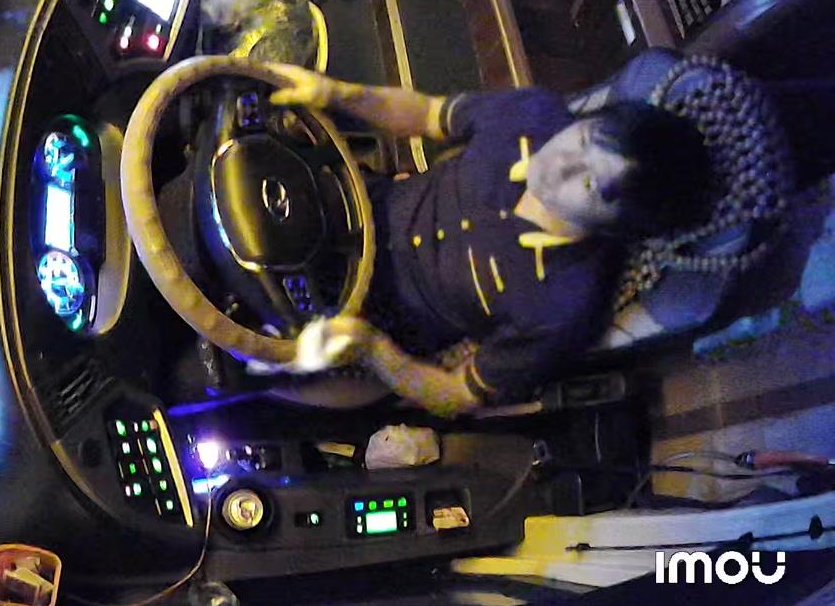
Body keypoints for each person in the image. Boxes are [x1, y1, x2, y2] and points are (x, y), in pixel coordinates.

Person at [266, 63, 713, 416]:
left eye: (590, 184)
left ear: (616, 227)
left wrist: (374, 351)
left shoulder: (566, 307)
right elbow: (425, 113)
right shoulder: (532, 113)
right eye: (582, 140)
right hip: (341, 204)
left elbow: (457, 395)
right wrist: (338, 92)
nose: (560, 164)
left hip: (346, 315)